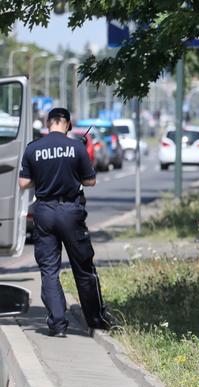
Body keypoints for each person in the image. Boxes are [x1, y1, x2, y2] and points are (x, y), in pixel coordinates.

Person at [18, 108, 113, 337]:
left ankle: (58, 325)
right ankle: (95, 319)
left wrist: (43, 179)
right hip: (71, 211)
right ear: (68, 124)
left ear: (48, 123)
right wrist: (71, 175)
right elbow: (90, 181)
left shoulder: (33, 149)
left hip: (45, 212)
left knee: (50, 270)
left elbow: (23, 183)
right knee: (83, 267)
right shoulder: (77, 147)